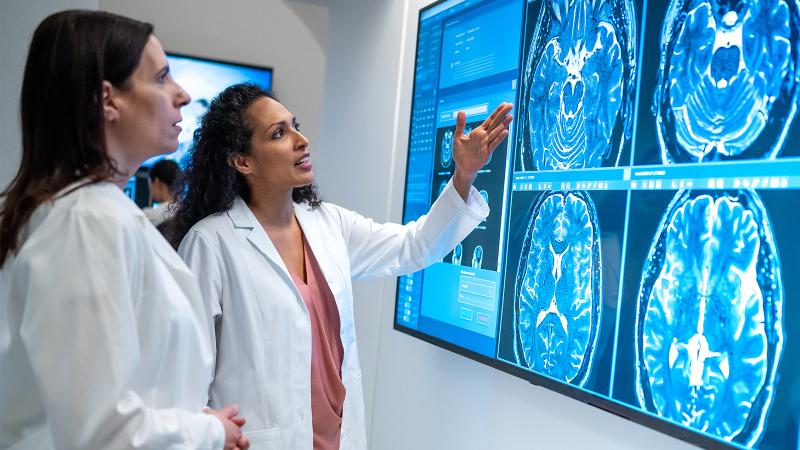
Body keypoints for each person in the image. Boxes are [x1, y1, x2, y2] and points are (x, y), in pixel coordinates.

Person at [167, 83, 512, 449]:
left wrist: (464, 175)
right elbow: (186, 380)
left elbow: (414, 247)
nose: (301, 140)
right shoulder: (212, 243)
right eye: (279, 133)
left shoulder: (328, 224)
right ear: (243, 161)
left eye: (294, 125)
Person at [0, 10, 248, 450]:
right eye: (161, 78)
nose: (183, 95)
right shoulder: (86, 222)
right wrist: (207, 432)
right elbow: (100, 433)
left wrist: (185, 417)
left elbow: (111, 392)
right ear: (108, 101)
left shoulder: (95, 213)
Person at [143, 158, 181, 226]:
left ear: (157, 182)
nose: (150, 190)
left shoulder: (148, 216)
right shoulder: (186, 210)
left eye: (150, 184)